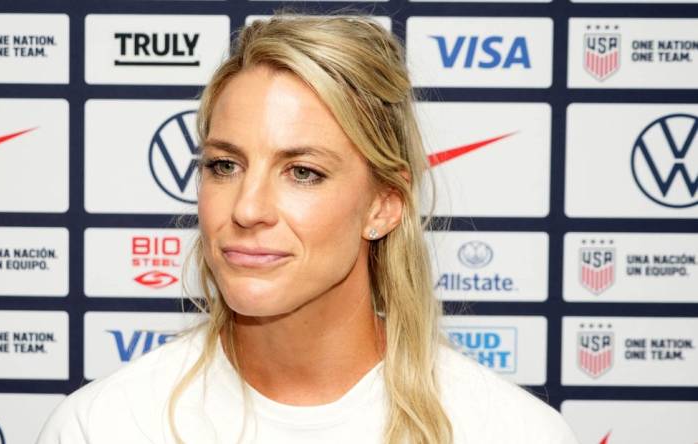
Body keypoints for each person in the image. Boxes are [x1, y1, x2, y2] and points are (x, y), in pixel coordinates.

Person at [37, 15, 579, 444]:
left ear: (384, 206)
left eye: (303, 172)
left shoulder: (511, 431)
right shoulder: (103, 427)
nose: (248, 209)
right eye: (224, 165)